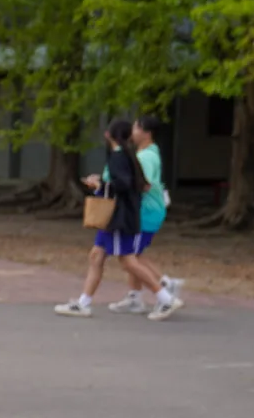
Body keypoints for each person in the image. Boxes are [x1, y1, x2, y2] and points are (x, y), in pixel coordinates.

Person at [54, 119, 183, 320]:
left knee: (128, 260)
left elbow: (125, 185)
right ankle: (83, 303)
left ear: (108, 135)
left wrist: (100, 186)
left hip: (119, 215)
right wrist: (104, 183)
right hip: (118, 215)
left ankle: (166, 297)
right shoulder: (127, 155)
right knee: (97, 255)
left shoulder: (120, 157)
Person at [110, 115, 184, 314]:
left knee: (129, 256)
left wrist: (122, 185)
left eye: (135, 128)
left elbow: (146, 184)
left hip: (147, 212)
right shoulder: (146, 152)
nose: (132, 132)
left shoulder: (147, 157)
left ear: (146, 133)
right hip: (146, 211)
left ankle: (164, 288)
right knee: (135, 254)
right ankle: (136, 296)